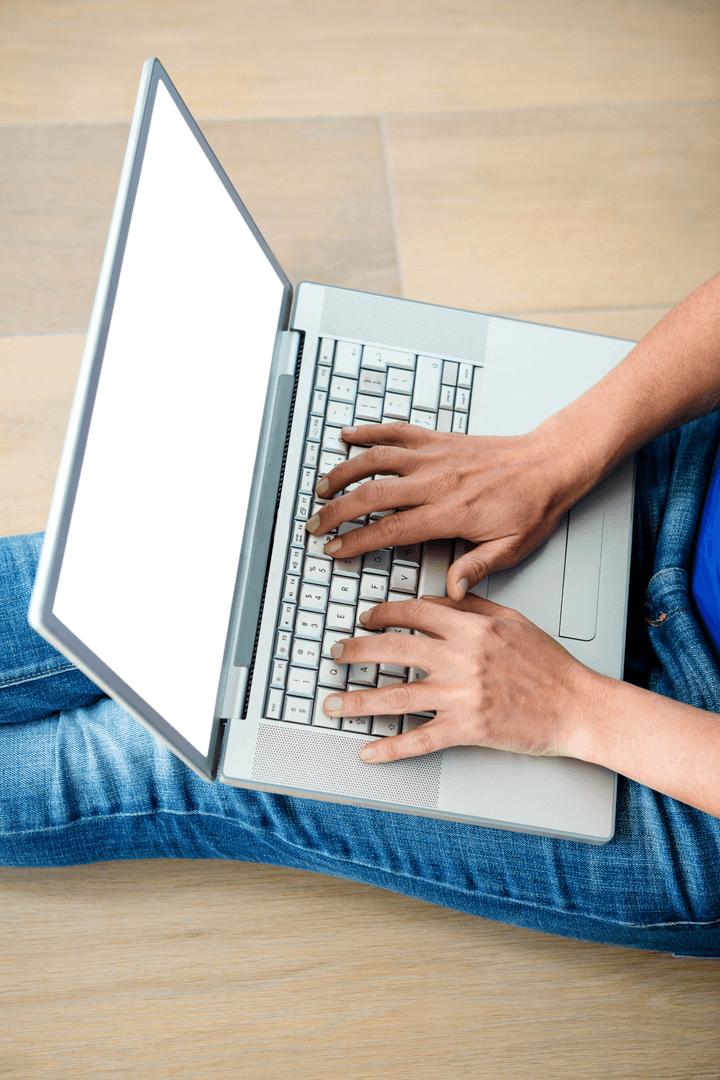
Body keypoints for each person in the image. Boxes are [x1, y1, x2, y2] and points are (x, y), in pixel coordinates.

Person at [2, 274, 720, 959]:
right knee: (132, 566)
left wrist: (571, 707)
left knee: (173, 752)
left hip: (684, 768)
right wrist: (561, 451)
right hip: (684, 464)